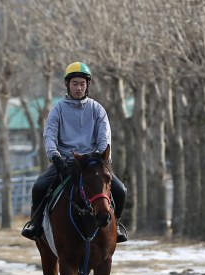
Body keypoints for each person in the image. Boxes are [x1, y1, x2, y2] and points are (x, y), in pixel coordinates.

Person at [21, 61, 128, 243]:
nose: (79, 88)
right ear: (67, 84)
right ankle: (36, 225)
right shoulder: (57, 109)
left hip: (93, 163)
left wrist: (102, 158)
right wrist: (55, 156)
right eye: (75, 84)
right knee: (39, 187)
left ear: (88, 85)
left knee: (121, 190)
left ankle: (115, 225)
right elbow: (50, 136)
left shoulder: (97, 109)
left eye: (82, 84)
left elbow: (105, 137)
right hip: (65, 163)